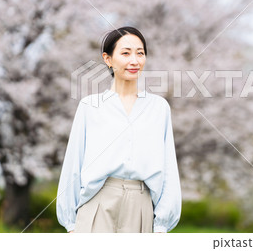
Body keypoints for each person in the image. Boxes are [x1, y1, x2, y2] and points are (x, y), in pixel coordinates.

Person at [56, 27, 181, 233]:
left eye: (140, 53)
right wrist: (70, 224)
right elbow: (73, 164)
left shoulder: (159, 108)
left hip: (141, 207)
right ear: (108, 59)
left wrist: (161, 226)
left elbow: (168, 168)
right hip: (97, 204)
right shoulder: (90, 106)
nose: (134, 60)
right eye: (125, 53)